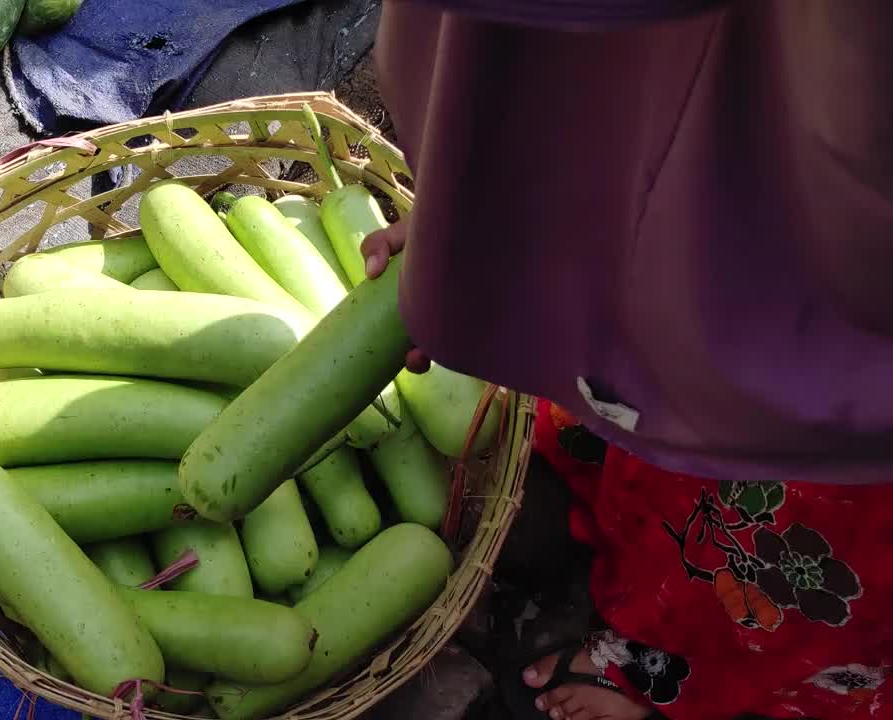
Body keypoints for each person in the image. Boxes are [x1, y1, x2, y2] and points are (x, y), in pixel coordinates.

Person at [363, 2, 893, 719]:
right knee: (647, 375)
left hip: (842, 309)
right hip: (664, 110)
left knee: (784, 532)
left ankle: (674, 663)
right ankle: (639, 578)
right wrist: (473, 215)